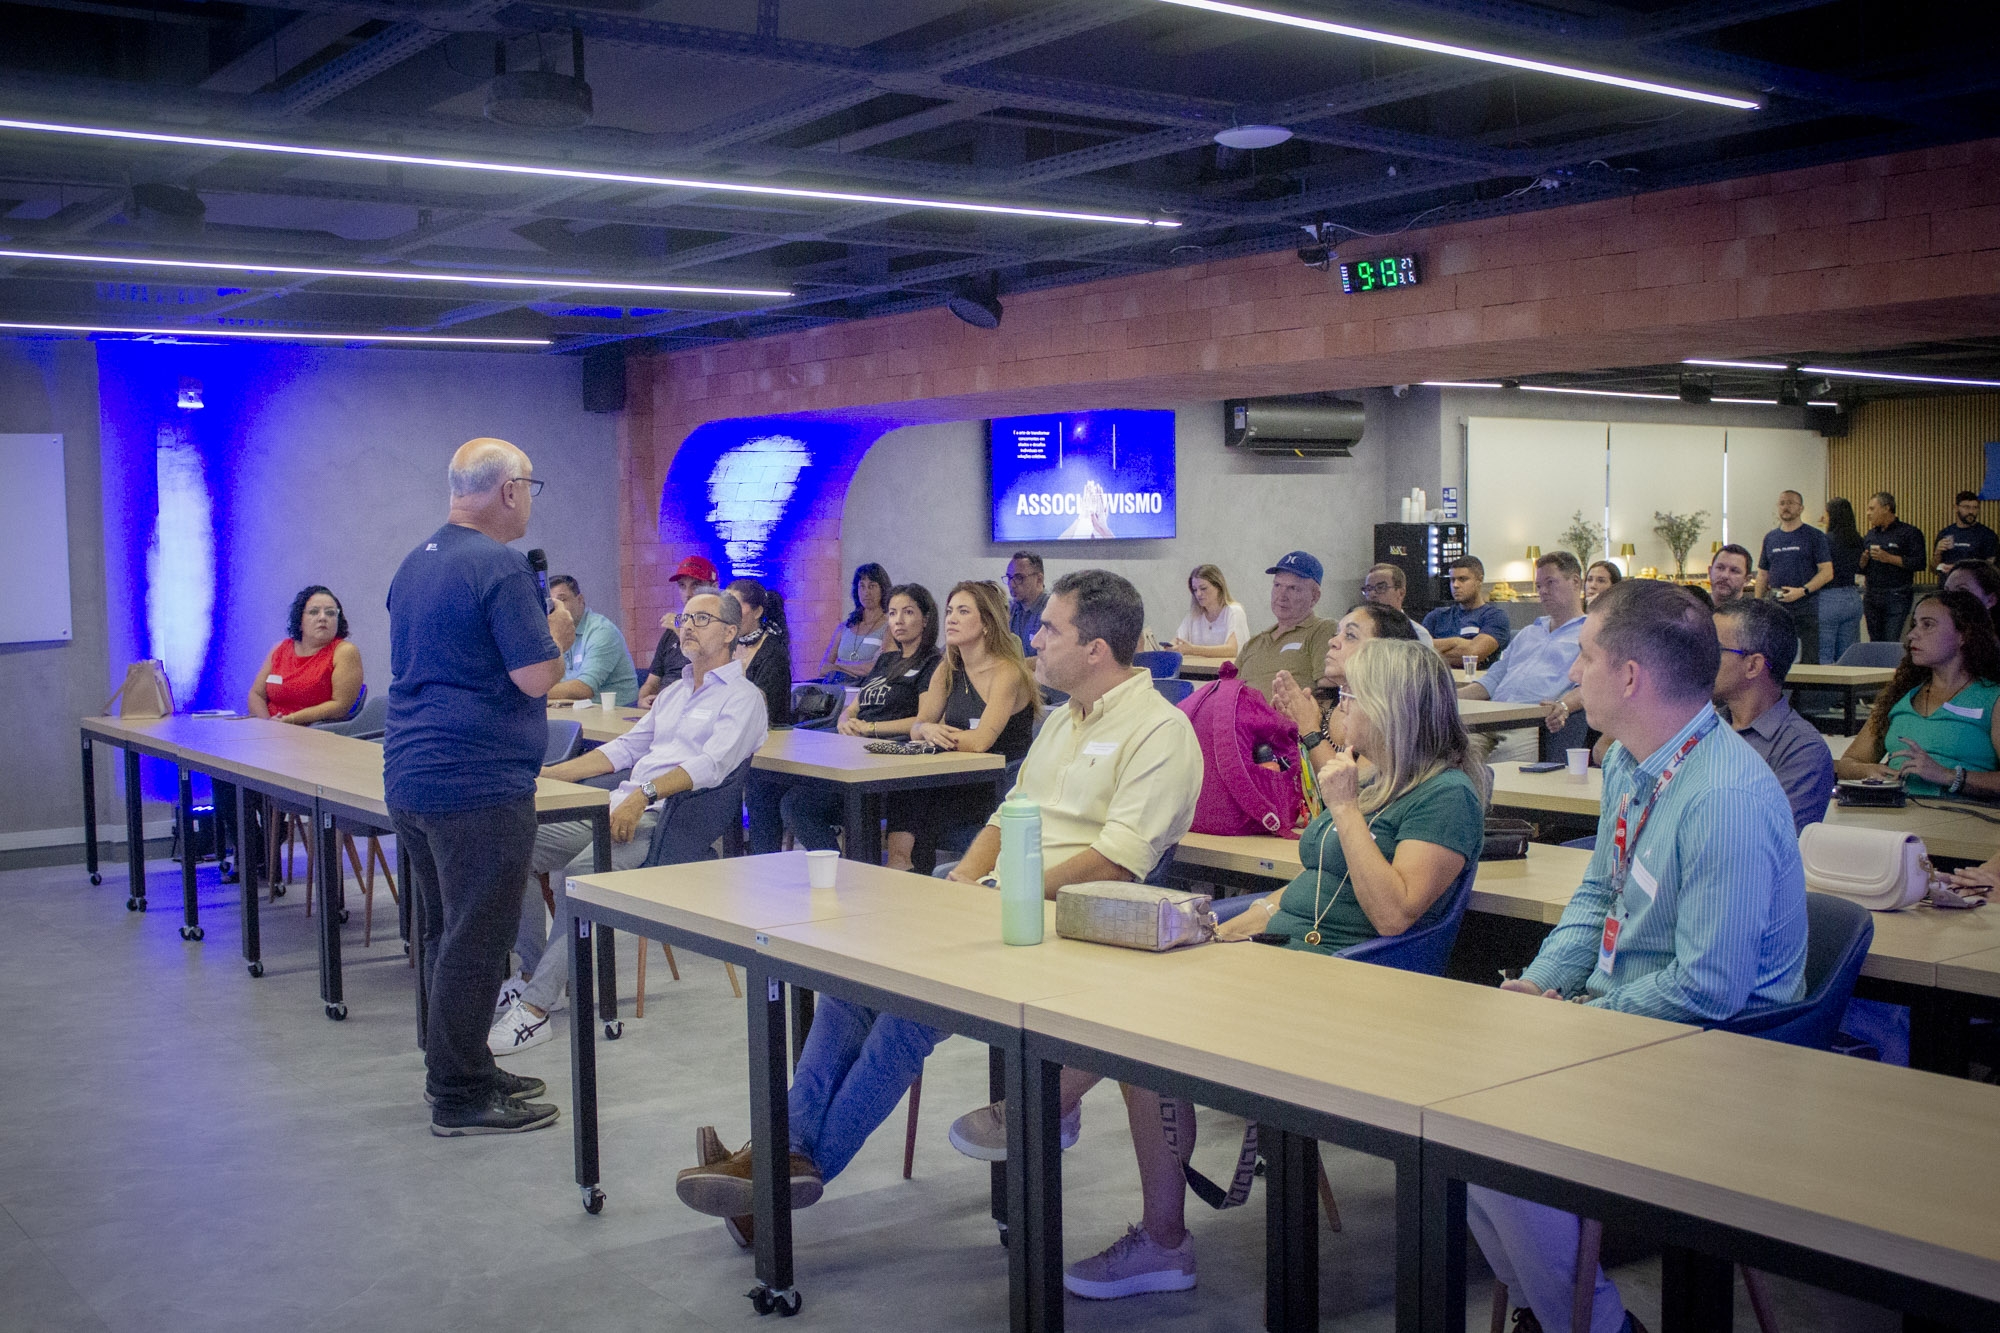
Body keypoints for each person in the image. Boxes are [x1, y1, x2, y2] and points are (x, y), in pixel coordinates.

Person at [673, 571, 1201, 1245]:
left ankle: (772, 1179)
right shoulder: (1065, 722)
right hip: (999, 905)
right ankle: (782, 1158)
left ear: (1095, 649)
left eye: (1050, 629)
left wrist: (1001, 894)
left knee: (904, 1015)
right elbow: (1010, 815)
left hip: (1070, 927)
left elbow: (1118, 862)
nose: (1036, 639)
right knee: (849, 984)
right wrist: (968, 881)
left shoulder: (1160, 731)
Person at [1070, 638, 1489, 1299]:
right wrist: (1245, 917)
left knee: (1141, 1023)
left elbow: (1392, 914)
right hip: (1291, 959)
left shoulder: (1444, 796)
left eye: (1350, 697)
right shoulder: (1379, 779)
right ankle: (1111, 1182)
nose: (1338, 707)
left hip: (1347, 990)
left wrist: (1343, 808)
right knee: (1135, 993)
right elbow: (1315, 882)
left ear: (1390, 709)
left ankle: (1049, 1118)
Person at [1472, 578, 1808, 1333]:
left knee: (1495, 1137)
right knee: (1461, 1117)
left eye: (1585, 657)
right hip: (1627, 1030)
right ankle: (1554, 1313)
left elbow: (1709, 988)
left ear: (1630, 677)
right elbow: (1600, 894)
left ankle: (1593, 1324)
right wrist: (1537, 987)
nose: (1572, 672)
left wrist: (1581, 1017)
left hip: (1719, 1056)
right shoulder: (1632, 760)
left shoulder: (1722, 797)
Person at [384, 437, 572, 1136]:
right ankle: (459, 1092)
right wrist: (557, 631)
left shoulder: (416, 562)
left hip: (413, 774)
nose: (530, 501)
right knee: (478, 939)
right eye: (530, 487)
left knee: (447, 931)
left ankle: (460, 1065)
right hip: (477, 782)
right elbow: (536, 676)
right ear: (509, 490)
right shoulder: (500, 567)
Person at [495, 588, 767, 1054]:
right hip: (620, 807)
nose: (687, 626)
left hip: (667, 822)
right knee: (511, 844)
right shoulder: (674, 693)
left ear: (729, 632)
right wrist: (546, 775)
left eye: (700, 619)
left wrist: (645, 794)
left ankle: (535, 1010)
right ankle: (538, 975)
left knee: (581, 875)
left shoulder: (744, 698)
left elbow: (711, 766)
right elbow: (624, 750)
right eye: (684, 618)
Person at [747, 584, 941, 855]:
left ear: (926, 619)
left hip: (888, 761)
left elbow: (923, 722)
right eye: (893, 613)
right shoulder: (887, 660)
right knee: (768, 786)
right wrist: (844, 719)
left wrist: (870, 728)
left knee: (797, 805)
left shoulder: (934, 663)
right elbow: (855, 706)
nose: (898, 620)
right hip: (852, 747)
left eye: (908, 612)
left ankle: (840, 869)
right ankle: (767, 864)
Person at [881, 580, 1038, 872]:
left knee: (917, 798)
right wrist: (927, 730)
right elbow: (919, 726)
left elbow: (980, 742)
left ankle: (906, 871)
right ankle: (901, 866)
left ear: (987, 623)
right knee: (907, 788)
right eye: (950, 611)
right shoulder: (948, 668)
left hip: (998, 784)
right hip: (957, 777)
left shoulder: (1007, 671)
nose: (951, 619)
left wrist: (935, 735)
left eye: (963, 611)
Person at [1834, 589, 2000, 797]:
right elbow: (1848, 763)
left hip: (1961, 814)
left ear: (1963, 635)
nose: (1912, 634)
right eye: (1914, 625)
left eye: (1927, 625)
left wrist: (1949, 776)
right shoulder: (1900, 695)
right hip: (1896, 812)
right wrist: (1868, 771)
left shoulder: (1992, 698)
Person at [1713, 598, 1836, 833]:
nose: (1701, 659)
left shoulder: (1802, 750)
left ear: (1753, 666)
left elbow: (1771, 841)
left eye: (1715, 650)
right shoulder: (1706, 727)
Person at [1458, 551, 1587, 764]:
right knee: (1447, 752)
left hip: (1531, 723)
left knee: (1495, 769)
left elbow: (1592, 686)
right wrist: (1448, 697)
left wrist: (1564, 705)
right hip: (1492, 718)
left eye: (1550, 583)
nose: (1543, 591)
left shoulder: (1589, 634)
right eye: (1539, 585)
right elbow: (1492, 680)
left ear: (1575, 582)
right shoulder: (1528, 633)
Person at [1270, 603, 1418, 773]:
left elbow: (1357, 785)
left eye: (1350, 635)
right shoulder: (1321, 703)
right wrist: (1285, 730)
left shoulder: (1389, 715)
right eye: (1336, 634)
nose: (1332, 641)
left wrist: (1309, 730)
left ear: (1385, 651)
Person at [247, 585, 363, 724]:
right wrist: (267, 724)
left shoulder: (345, 652)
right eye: (314, 612)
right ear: (299, 621)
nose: (323, 618)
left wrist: (290, 720)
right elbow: (256, 694)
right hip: (270, 728)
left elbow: (340, 706)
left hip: (313, 731)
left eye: (330, 613)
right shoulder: (279, 649)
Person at [1234, 551, 1339, 702]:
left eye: (1293, 588)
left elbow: (1330, 688)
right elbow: (1229, 690)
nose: (1281, 595)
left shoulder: (1322, 630)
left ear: (1315, 596)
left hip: (1285, 716)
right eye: (1277, 585)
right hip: (1240, 715)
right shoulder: (1254, 643)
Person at [1754, 489, 1832, 666]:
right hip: (1777, 608)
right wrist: (1757, 604)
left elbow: (1827, 572)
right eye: (1782, 503)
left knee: (1809, 661)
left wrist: (1802, 591)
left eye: (1790, 503)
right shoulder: (1771, 538)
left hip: (1805, 608)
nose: (1785, 507)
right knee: (1776, 659)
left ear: (1801, 508)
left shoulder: (1814, 536)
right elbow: (1763, 574)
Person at [543, 575, 639, 706]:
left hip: (618, 712)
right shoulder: (553, 633)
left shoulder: (602, 631)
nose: (555, 609)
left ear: (580, 600)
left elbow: (583, 689)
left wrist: (534, 693)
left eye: (562, 600)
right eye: (551, 603)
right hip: (574, 710)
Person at [638, 555, 719, 706]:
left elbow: (712, 673)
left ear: (714, 588)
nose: (688, 594)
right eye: (682, 586)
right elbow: (652, 681)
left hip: (698, 705)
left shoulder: (720, 627)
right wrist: (643, 699)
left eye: (696, 585)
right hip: (663, 705)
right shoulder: (671, 631)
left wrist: (681, 630)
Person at [1859, 491, 1926, 643]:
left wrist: (1889, 558)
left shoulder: (1909, 533)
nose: (1868, 513)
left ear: (1886, 508)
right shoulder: (1870, 535)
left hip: (1897, 595)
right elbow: (1862, 569)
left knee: (1890, 641)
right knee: (1874, 643)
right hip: (1872, 595)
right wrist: (1863, 561)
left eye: (1872, 509)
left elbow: (1919, 563)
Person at [728, 578, 793, 726]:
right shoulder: (727, 646)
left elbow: (765, 709)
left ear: (757, 612)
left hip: (767, 731)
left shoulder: (773, 652)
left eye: (735, 607)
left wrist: (740, 674)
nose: (728, 614)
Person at [1423, 555, 1512, 665]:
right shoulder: (1436, 616)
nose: (1455, 585)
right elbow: (1418, 651)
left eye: (1462, 579)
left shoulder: (1495, 617)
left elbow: (1472, 655)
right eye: (1452, 580)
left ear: (1479, 580)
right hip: (1439, 675)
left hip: (1476, 675)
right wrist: (1456, 641)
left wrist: (1433, 652)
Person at [815, 562, 892, 681]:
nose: (866, 592)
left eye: (872, 586)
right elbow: (824, 668)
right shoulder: (844, 627)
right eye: (862, 586)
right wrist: (858, 669)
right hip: (838, 688)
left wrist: (839, 666)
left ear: (883, 590)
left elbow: (876, 669)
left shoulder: (889, 628)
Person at [1819, 498, 1867, 663]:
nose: (1823, 518)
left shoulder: (1825, 540)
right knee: (1848, 657)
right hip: (1852, 597)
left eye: (1826, 514)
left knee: (1824, 655)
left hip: (1828, 598)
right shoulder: (1858, 540)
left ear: (1832, 516)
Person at [1169, 563, 1250, 659]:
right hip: (1198, 668)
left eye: (1203, 588)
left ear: (1219, 587)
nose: (1198, 594)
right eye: (1195, 590)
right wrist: (1172, 647)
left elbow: (1232, 650)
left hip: (1227, 668)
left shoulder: (1234, 611)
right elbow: (1178, 640)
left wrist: (1193, 650)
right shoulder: (1194, 615)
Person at [1359, 563, 1433, 643]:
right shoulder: (1357, 630)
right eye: (1368, 589)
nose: (1372, 594)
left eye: (1380, 587)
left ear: (1401, 593)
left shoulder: (1418, 634)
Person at [1933, 490, 1998, 580]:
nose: (1971, 511)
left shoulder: (1987, 535)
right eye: (1966, 507)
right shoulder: (1945, 533)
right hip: (1948, 585)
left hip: (1974, 586)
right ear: (1956, 508)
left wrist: (1957, 569)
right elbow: (1934, 570)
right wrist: (1937, 553)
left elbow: (1991, 570)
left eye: (1975, 508)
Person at [1005, 551, 1049, 655]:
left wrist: (1015, 663)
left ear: (1039, 580)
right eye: (1009, 578)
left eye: (1019, 578)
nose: (1012, 585)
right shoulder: (1008, 609)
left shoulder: (1052, 610)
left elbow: (1050, 658)